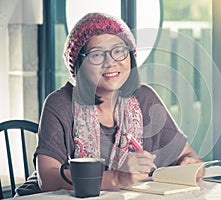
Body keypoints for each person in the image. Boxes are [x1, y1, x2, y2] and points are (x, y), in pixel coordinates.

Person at [16, 12, 203, 195]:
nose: (110, 62)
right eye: (97, 54)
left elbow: (189, 156)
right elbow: (48, 179)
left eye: (119, 51)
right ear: (78, 65)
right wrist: (117, 178)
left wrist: (189, 165)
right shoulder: (60, 103)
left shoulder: (144, 98)